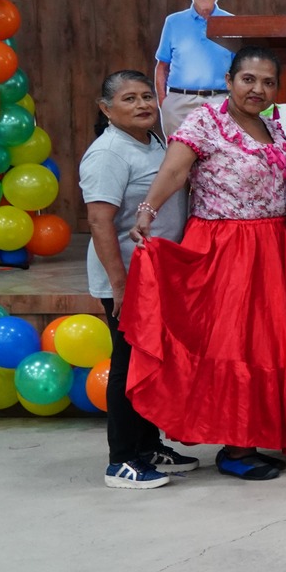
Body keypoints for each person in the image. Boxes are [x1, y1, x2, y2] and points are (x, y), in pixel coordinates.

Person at [124, 46, 286, 480]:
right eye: (248, 79)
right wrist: (148, 212)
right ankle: (232, 449)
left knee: (267, 345)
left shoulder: (273, 125)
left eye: (268, 82)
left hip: (273, 246)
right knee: (233, 346)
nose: (258, 89)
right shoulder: (204, 122)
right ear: (229, 80)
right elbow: (174, 173)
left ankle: (249, 439)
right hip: (224, 247)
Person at [82, 71, 192, 489]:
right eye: (129, 99)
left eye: (148, 96)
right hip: (127, 280)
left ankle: (148, 446)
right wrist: (120, 285)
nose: (143, 105)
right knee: (128, 364)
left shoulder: (152, 141)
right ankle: (122, 460)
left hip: (156, 275)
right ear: (106, 109)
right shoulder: (109, 152)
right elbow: (99, 220)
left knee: (148, 362)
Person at [153, 0, 235, 138]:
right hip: (179, 104)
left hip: (219, 101)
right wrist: (164, 103)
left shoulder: (231, 22)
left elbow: (240, 68)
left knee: (219, 160)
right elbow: (162, 66)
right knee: (179, 161)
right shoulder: (173, 22)